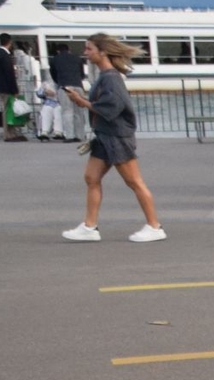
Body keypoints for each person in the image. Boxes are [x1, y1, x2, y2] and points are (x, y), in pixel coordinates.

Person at [60, 33, 165, 242]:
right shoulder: (106, 76)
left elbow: (113, 106)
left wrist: (82, 102)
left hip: (117, 136)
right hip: (105, 136)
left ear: (103, 52)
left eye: (89, 49)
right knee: (91, 177)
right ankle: (89, 227)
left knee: (134, 181)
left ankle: (155, 226)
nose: (86, 53)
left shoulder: (111, 78)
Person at [48, 36, 89, 145]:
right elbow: (82, 74)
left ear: (58, 51)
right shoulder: (77, 58)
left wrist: (59, 82)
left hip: (64, 87)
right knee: (79, 112)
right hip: (78, 86)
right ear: (69, 49)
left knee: (67, 111)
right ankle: (80, 135)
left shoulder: (54, 59)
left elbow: (53, 74)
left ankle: (70, 136)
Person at [0, 32, 23, 140]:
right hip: (7, 87)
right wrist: (15, 89)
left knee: (8, 110)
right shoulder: (5, 55)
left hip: (1, 86)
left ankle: (11, 133)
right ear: (10, 42)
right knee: (8, 110)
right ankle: (8, 134)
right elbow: (9, 74)